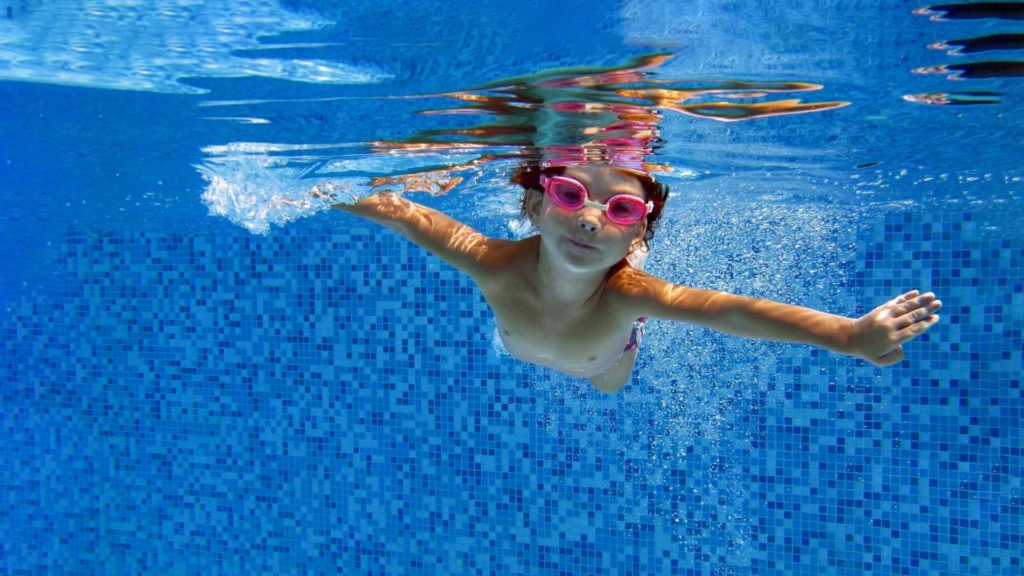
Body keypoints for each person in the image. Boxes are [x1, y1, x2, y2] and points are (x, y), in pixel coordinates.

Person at [317, 162, 941, 394]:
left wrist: (846, 335)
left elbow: (729, 311)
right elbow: (407, 216)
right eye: (569, 194)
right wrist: (317, 190)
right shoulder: (491, 260)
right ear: (534, 206)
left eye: (619, 209)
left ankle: (634, 315)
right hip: (523, 341)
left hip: (603, 359)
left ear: (639, 229)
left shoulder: (627, 296)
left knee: (610, 382)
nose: (590, 217)